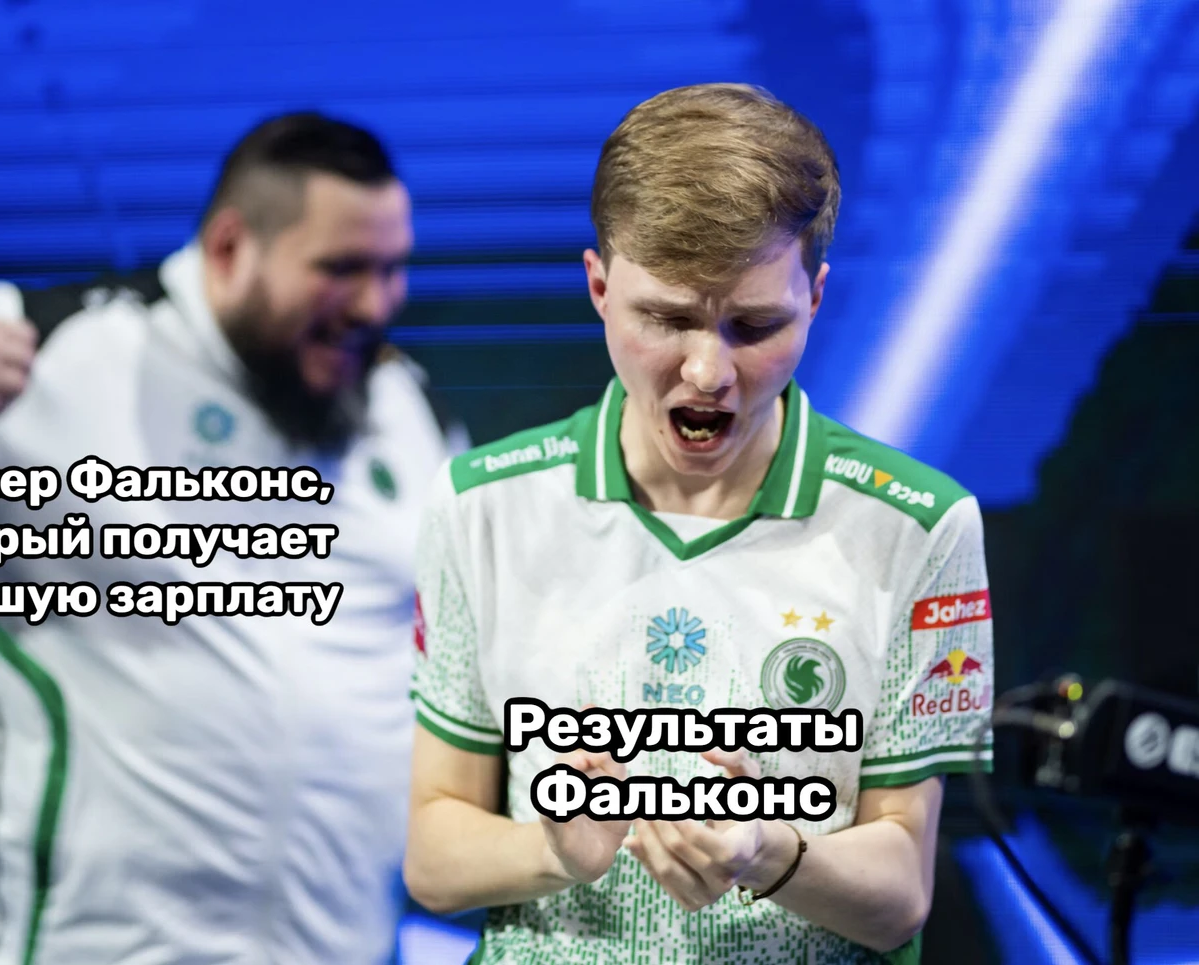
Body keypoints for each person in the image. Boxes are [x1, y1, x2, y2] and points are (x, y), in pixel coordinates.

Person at [0, 112, 461, 965]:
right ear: (230, 247)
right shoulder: (55, 350)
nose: (376, 303)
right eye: (341, 269)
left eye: (392, 268)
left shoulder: (406, 411)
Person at [403, 84, 995, 963]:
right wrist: (556, 850)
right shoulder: (482, 506)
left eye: (754, 325)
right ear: (599, 287)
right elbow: (432, 855)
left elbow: (900, 895)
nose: (709, 371)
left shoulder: (919, 525)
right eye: (668, 318)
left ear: (816, 298)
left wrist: (770, 852)